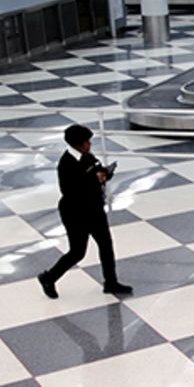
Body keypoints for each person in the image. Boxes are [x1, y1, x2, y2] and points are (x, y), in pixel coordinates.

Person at [38, 125, 132, 298]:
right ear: (77, 144)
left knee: (106, 245)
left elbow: (98, 171)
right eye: (86, 142)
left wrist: (105, 174)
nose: (89, 144)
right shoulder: (66, 163)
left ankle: (110, 282)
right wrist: (92, 179)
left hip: (94, 209)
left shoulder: (88, 156)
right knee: (77, 252)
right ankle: (48, 277)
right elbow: (70, 191)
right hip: (76, 213)